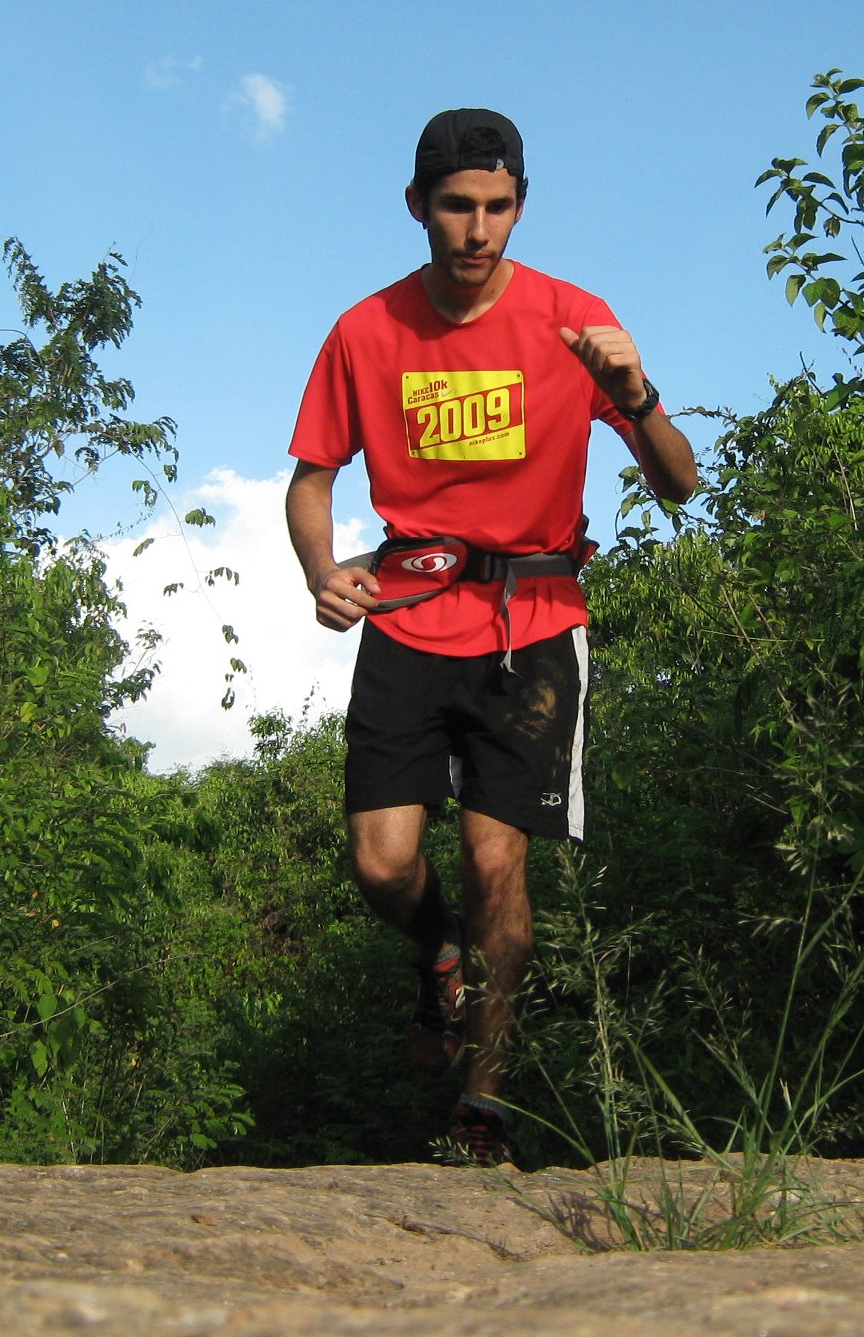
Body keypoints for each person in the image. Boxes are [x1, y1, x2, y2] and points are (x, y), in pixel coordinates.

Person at [284, 107, 697, 1167]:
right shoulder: (365, 330)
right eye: (458, 207)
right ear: (417, 207)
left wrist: (635, 394)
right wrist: (322, 575)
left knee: (496, 865)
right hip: (409, 615)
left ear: (518, 207)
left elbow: (678, 482)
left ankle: (484, 1105)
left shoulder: (572, 320)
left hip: (534, 628)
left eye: (498, 208)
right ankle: (437, 955)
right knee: (382, 866)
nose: (478, 230)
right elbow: (312, 481)